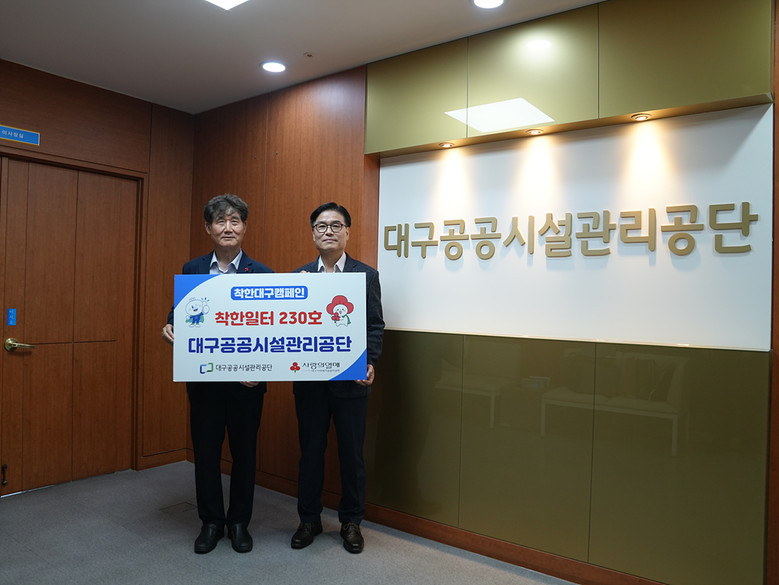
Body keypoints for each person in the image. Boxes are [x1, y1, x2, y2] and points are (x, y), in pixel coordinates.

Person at [162, 194, 273, 554]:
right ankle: (211, 522)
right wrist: (170, 325)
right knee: (206, 455)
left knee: (244, 456)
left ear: (244, 227)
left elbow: (272, 331)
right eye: (220, 221)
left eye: (235, 220)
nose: (228, 227)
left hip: (246, 384)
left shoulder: (263, 274)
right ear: (208, 228)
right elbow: (181, 314)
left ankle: (239, 523)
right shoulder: (192, 269)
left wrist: (261, 371)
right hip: (205, 383)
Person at [290, 202, 385, 554]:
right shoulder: (299, 278)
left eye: (335, 225)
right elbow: (289, 327)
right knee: (310, 453)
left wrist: (370, 360)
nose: (328, 231)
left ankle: (351, 522)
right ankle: (309, 519)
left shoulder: (366, 275)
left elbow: (374, 325)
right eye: (321, 226)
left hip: (351, 383)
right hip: (310, 385)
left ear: (347, 232)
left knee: (351, 455)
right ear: (312, 233)